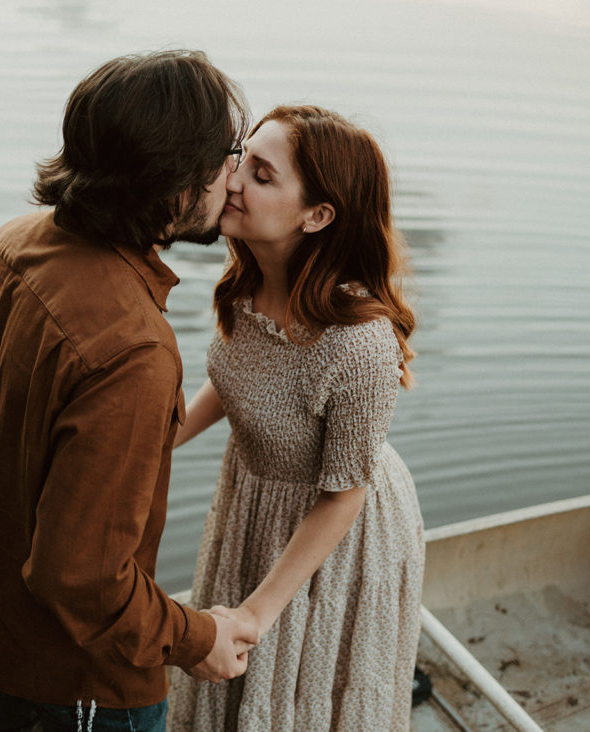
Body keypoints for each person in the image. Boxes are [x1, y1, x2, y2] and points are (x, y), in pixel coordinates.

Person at [0, 50, 259, 732]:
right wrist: (200, 640)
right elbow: (80, 577)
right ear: (173, 184)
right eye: (226, 155)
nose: (236, 175)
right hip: (83, 691)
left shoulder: (12, 245)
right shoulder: (134, 349)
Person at [167, 105, 425, 731]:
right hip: (250, 503)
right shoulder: (247, 283)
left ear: (317, 215)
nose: (232, 181)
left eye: (261, 174)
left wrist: (255, 613)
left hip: (333, 530)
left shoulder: (359, 342)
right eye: (241, 161)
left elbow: (345, 495)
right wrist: (157, 437)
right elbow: (238, 383)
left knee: (293, 693)